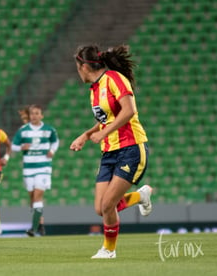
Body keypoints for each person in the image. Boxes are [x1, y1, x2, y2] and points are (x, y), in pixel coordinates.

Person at [69, 44, 152, 259]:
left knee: (108, 205)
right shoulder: (95, 90)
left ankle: (109, 250)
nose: (78, 72)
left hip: (131, 147)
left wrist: (104, 134)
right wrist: (86, 135)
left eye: (77, 67)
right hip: (109, 152)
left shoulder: (114, 78)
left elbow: (129, 110)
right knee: (101, 207)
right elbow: (106, 121)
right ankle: (140, 196)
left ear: (84, 66)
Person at [12, 104, 59, 237]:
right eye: (32, 113)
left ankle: (33, 228)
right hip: (28, 168)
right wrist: (22, 147)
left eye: (37, 113)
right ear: (30, 115)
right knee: (33, 198)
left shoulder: (49, 129)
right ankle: (41, 224)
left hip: (43, 166)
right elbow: (14, 146)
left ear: (41, 115)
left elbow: (55, 142)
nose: (34, 116)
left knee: (38, 195)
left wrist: (52, 150)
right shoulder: (23, 130)